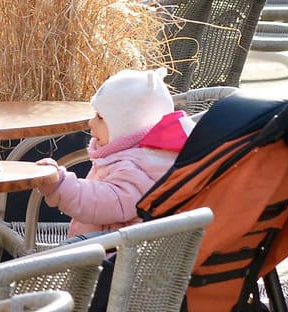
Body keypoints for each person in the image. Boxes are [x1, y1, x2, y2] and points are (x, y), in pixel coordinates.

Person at [35, 68, 192, 236]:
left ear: (128, 126)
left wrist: (61, 184)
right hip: (100, 249)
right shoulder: (130, 155)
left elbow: (102, 203)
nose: (90, 122)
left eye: (100, 117)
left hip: (109, 257)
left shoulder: (139, 165)